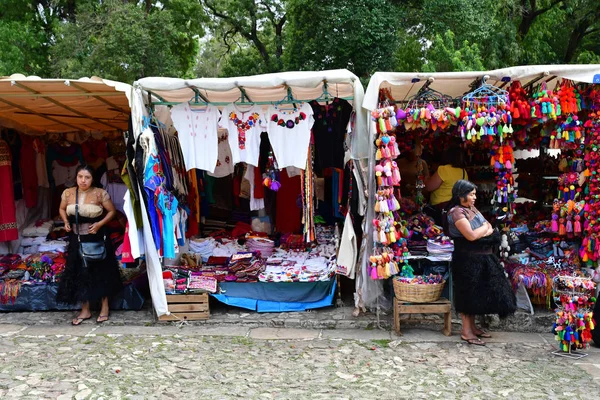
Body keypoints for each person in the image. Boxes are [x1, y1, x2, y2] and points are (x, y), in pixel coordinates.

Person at [446, 180, 516, 346]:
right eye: (471, 194)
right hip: (466, 258)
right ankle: (466, 331)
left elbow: (489, 226)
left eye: (475, 194)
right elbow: (471, 235)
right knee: (467, 294)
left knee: (475, 293)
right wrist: (484, 229)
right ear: (460, 195)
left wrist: (484, 230)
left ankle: (473, 327)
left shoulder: (471, 209)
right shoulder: (456, 213)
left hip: (479, 257)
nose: (474, 197)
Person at [57, 164, 123, 325]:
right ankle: (85, 310)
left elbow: (112, 211)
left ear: (92, 179)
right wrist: (65, 221)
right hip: (77, 238)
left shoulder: (100, 194)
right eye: (80, 177)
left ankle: (104, 308)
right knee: (80, 272)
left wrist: (100, 224)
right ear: (76, 178)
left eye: (87, 177)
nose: (83, 180)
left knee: (100, 272)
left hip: (97, 237)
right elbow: (62, 209)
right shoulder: (68, 193)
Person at [424, 143, 467, 225]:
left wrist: (426, 179)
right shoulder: (463, 172)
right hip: (456, 208)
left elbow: (429, 187)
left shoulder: (444, 169)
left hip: (441, 209)